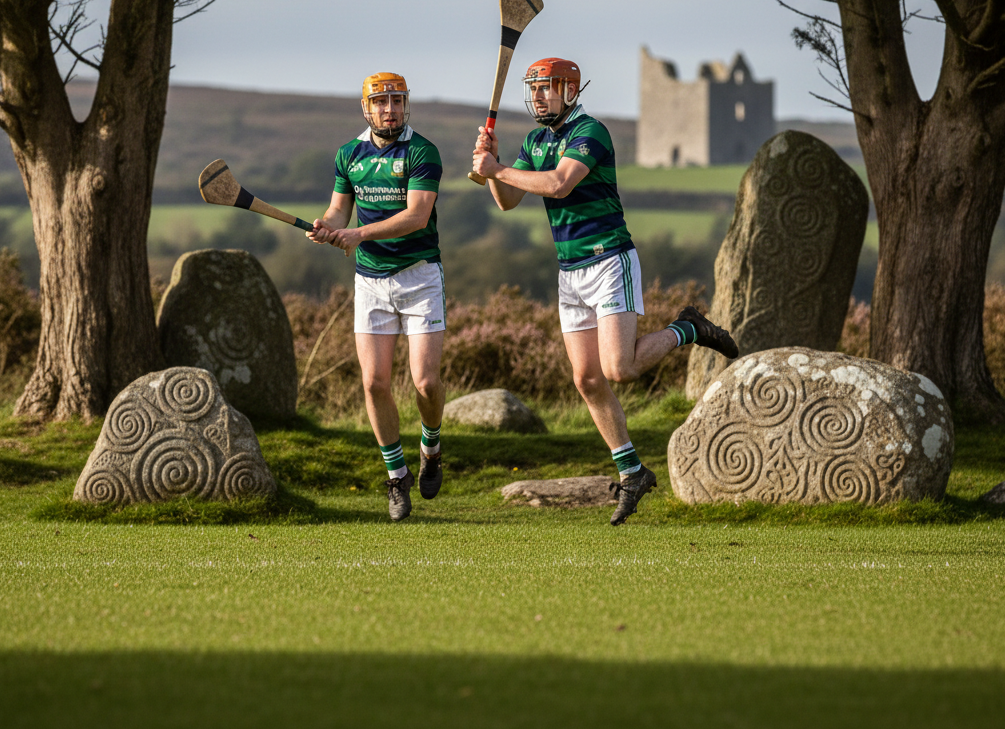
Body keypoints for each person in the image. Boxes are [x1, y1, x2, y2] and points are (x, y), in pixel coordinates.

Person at [472, 57, 738, 525]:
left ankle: (688, 328)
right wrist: (493, 170)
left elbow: (559, 184)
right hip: (569, 271)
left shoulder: (590, 132)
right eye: (534, 88)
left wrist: (498, 168)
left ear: (571, 91)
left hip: (609, 259)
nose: (538, 97)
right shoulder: (535, 141)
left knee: (620, 368)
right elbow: (509, 202)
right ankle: (632, 472)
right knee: (587, 379)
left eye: (547, 88)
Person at [309, 72, 445, 521]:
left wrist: (358, 234)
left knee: (425, 383)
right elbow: (339, 208)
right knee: (374, 383)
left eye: (397, 101)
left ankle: (431, 445)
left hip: (420, 276)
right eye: (381, 102)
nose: (390, 110)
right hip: (370, 281)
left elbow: (417, 215)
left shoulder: (422, 151)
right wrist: (328, 226)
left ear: (406, 105)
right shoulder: (349, 154)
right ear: (366, 108)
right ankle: (396, 476)